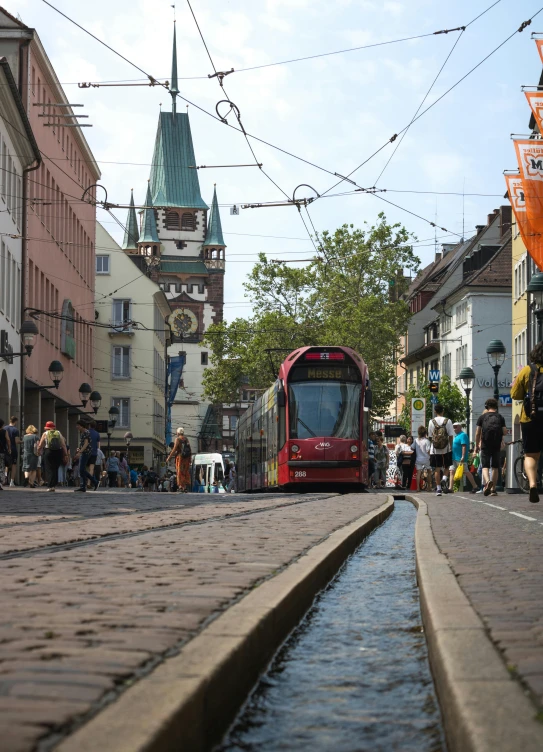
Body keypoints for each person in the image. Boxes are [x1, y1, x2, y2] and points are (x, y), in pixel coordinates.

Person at [511, 341, 543, 503]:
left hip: (530, 418)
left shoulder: (527, 371)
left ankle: (531, 484)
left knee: (530, 455)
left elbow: (515, 395)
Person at [475, 398, 507, 497]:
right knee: (495, 467)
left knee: (485, 466)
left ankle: (488, 481)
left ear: (486, 406)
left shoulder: (482, 417)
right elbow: (505, 432)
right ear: (496, 407)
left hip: (485, 444)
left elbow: (477, 433)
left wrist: (476, 445)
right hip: (496, 445)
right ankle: (493, 490)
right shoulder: (500, 417)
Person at [428, 403, 454, 497]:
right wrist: (451, 447)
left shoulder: (431, 421)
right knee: (447, 467)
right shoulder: (448, 421)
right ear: (443, 411)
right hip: (446, 448)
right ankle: (444, 479)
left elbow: (430, 436)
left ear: (435, 411)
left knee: (437, 469)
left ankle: (438, 489)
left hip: (434, 449)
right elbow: (451, 436)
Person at [38, 421, 68, 492]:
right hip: (58, 452)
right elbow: (63, 444)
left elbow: (41, 444)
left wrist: (38, 450)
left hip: (48, 451)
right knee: (55, 468)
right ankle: (54, 485)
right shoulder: (58, 433)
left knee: (49, 468)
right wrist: (65, 454)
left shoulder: (45, 433)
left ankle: (50, 485)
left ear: (47, 428)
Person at [450, 422, 477, 493]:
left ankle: (475, 486)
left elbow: (464, 446)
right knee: (451, 471)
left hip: (460, 458)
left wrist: (463, 456)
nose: (454, 428)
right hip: (454, 457)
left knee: (466, 472)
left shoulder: (463, 435)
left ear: (460, 427)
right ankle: (450, 488)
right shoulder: (456, 436)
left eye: (456, 427)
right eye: (453, 427)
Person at [73, 420, 98, 493]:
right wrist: (79, 448)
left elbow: (86, 443)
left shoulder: (86, 432)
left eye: (78, 425)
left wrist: (80, 452)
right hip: (84, 452)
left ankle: (94, 481)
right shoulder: (83, 432)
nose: (77, 427)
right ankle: (83, 486)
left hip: (86, 453)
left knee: (82, 470)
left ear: (82, 426)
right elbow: (83, 443)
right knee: (82, 469)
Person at [166, 427, 192, 493]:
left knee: (179, 472)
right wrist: (190, 458)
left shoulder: (177, 439)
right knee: (185, 471)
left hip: (180, 457)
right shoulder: (186, 439)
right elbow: (189, 449)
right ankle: (185, 487)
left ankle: (181, 486)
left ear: (178, 432)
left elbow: (174, 449)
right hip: (186, 458)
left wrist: (169, 457)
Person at [414, 425, 432, 492]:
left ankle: (418, 488)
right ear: (425, 433)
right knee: (429, 472)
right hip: (426, 458)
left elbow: (412, 447)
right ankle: (429, 487)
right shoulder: (427, 441)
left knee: (418, 473)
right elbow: (428, 450)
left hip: (418, 459)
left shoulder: (416, 440)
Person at [5, 415, 20, 486]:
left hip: (5, 448)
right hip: (13, 448)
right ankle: (12, 481)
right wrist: (22, 441)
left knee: (6, 464)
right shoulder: (15, 430)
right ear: (16, 421)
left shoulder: (4, 428)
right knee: (14, 464)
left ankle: (5, 479)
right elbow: (17, 441)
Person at [0, 418, 11, 491]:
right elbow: (8, 440)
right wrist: (9, 448)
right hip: (1, 451)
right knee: (1, 467)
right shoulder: (4, 431)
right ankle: (0, 483)